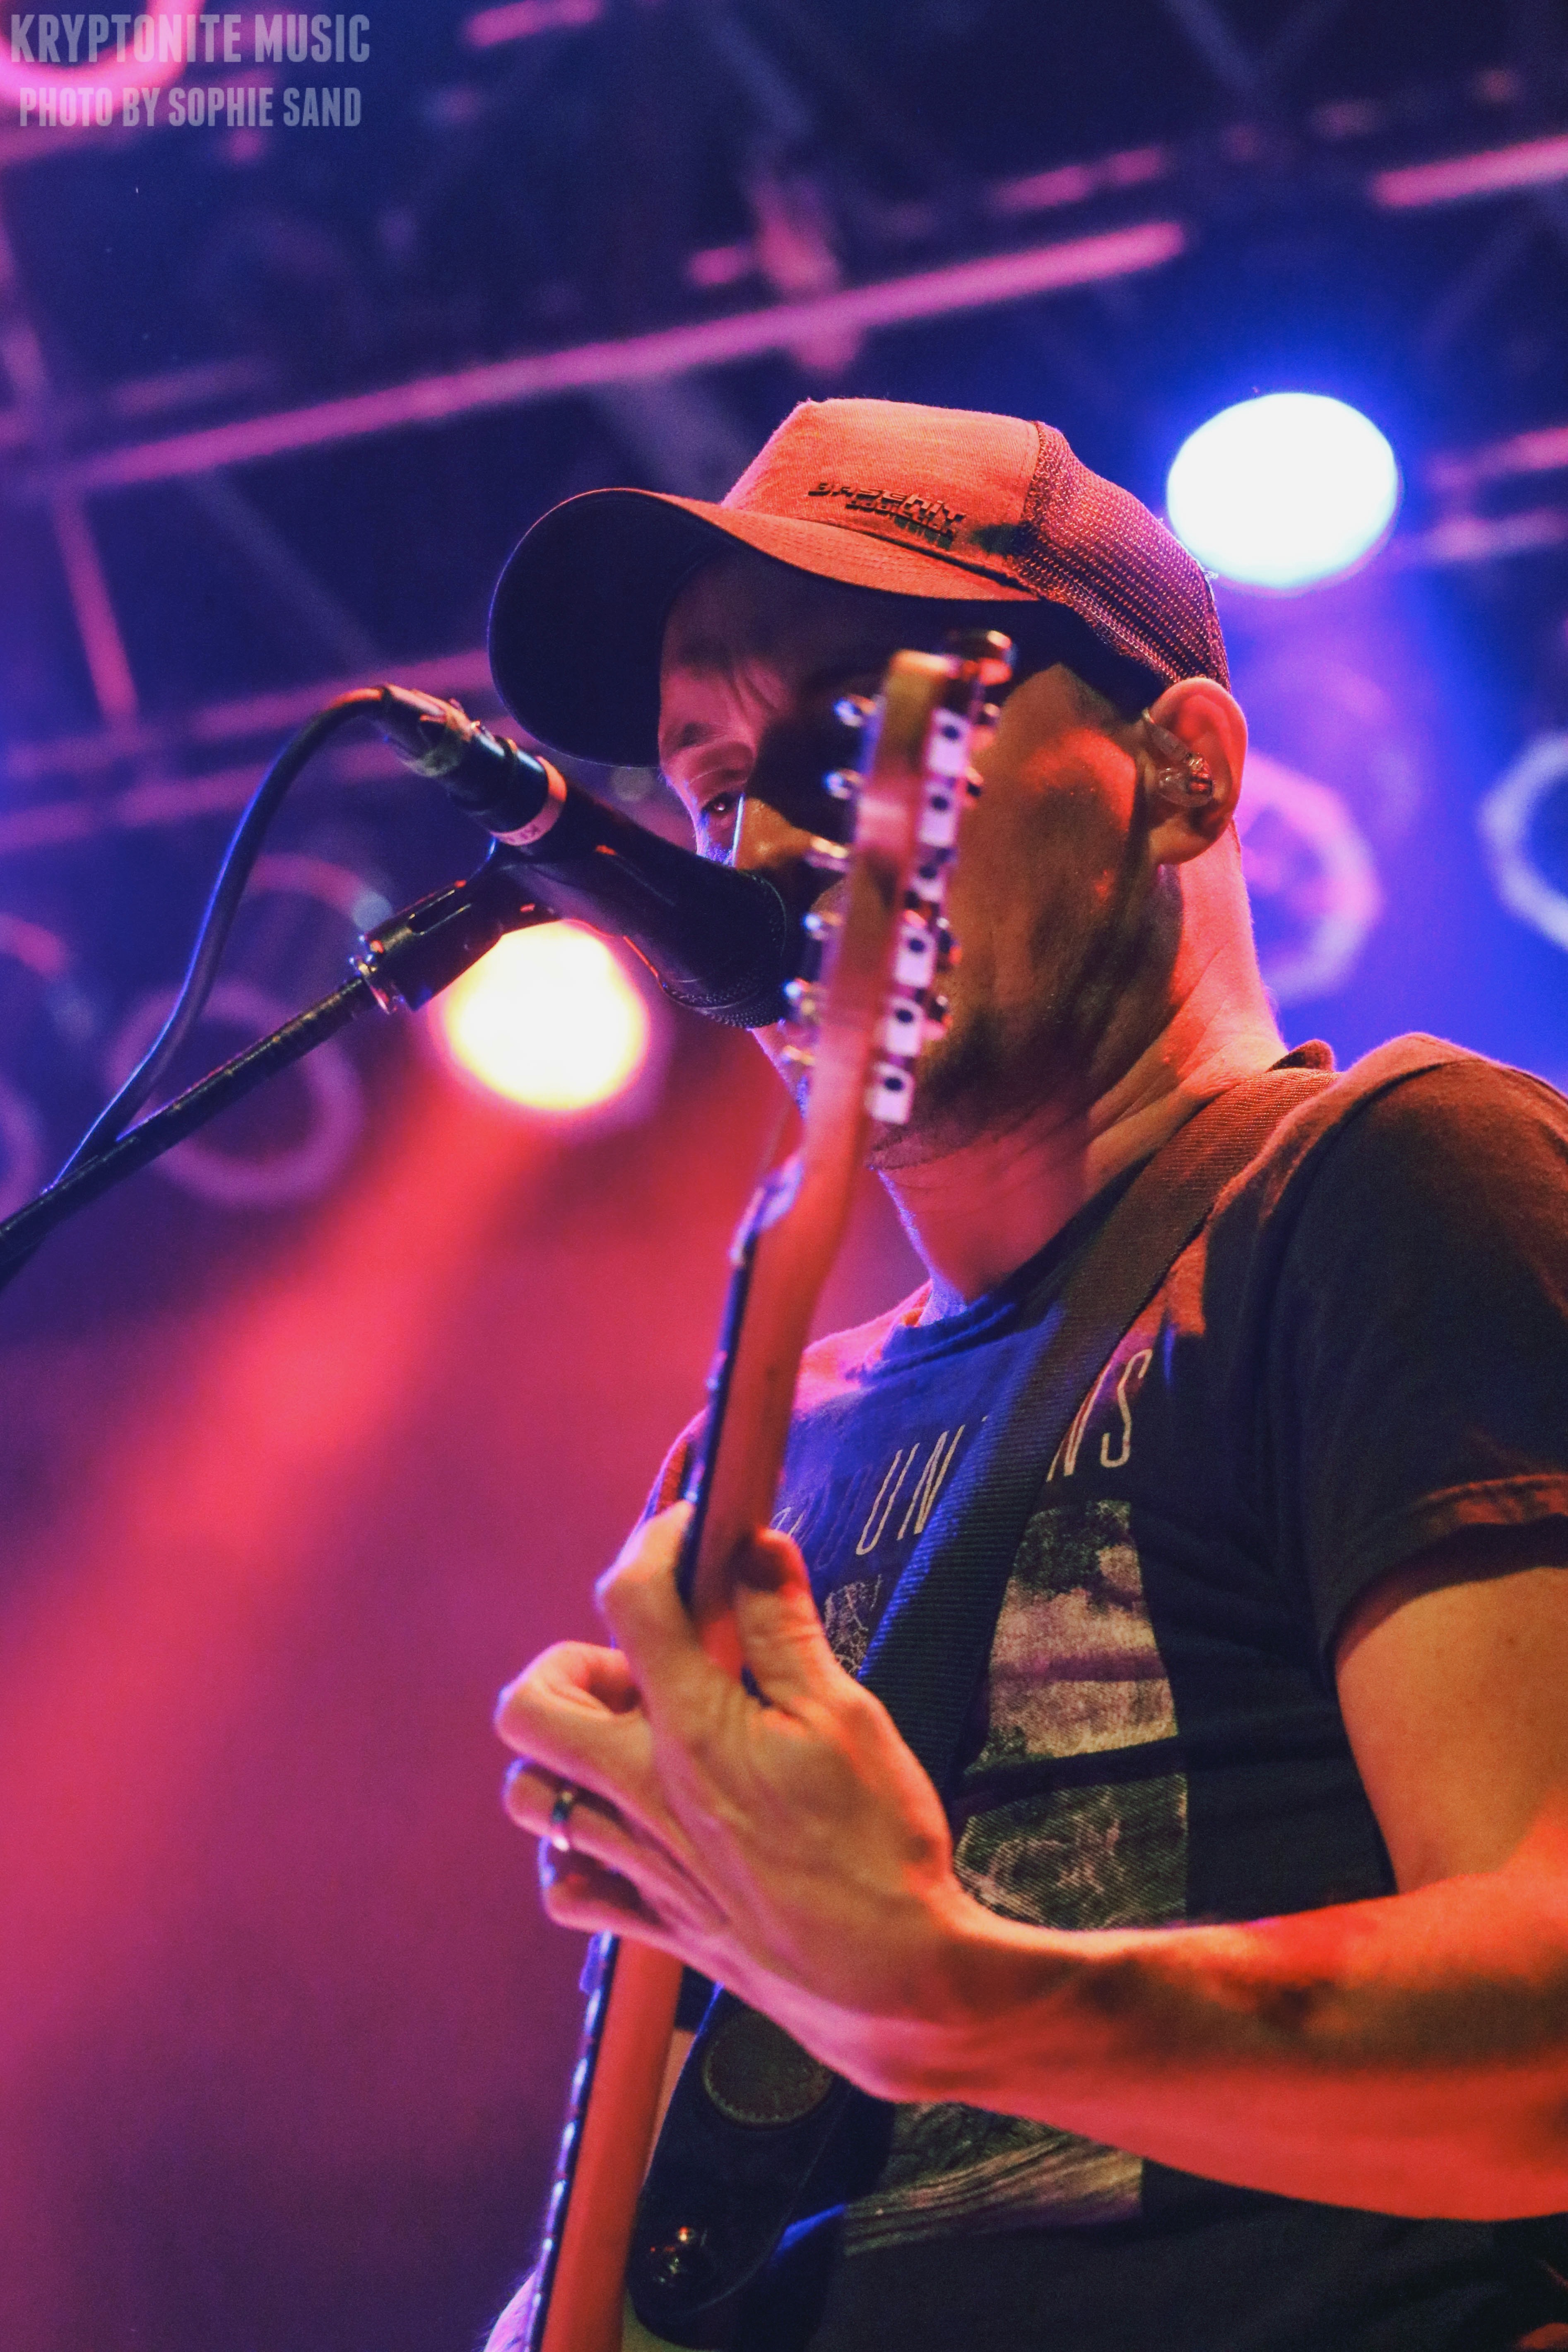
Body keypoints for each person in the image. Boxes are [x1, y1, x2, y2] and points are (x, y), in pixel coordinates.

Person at [482, 398, 1568, 2350]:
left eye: (856, 738)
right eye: (713, 787)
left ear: (1180, 770)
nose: (770, 846)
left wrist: (955, 1993)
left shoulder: (1387, 1184)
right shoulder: (753, 1443)